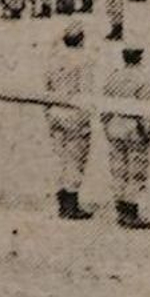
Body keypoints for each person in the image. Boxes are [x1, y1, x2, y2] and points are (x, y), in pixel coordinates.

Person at [43, 22, 95, 220]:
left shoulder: (54, 59)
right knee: (76, 159)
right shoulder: (84, 61)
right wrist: (85, 118)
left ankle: (62, 199)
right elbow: (86, 92)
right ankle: (70, 204)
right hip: (74, 114)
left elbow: (46, 87)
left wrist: (48, 113)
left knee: (61, 158)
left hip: (56, 112)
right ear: (81, 39)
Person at [101, 46, 150, 229]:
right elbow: (147, 110)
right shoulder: (143, 79)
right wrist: (149, 132)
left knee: (118, 168)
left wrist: (106, 125)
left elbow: (104, 104)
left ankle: (120, 208)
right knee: (136, 170)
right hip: (134, 126)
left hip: (115, 123)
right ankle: (131, 210)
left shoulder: (113, 77)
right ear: (140, 58)